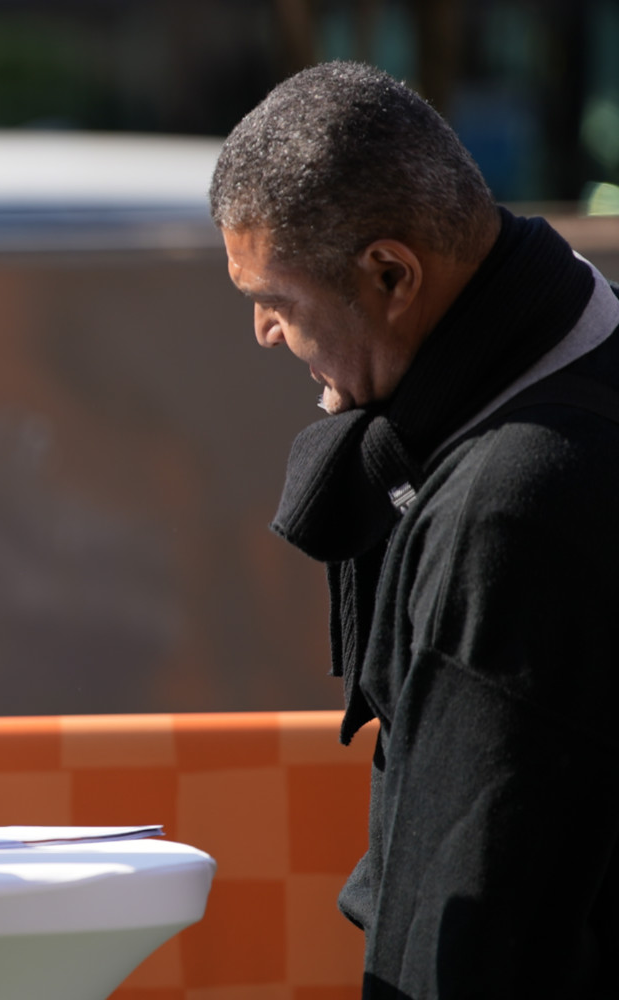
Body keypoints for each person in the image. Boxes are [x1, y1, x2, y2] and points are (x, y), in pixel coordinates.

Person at [213, 62, 619, 996]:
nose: (267, 334)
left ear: (392, 274)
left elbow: (467, 921)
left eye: (273, 300)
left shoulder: (515, 506)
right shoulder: (585, 349)